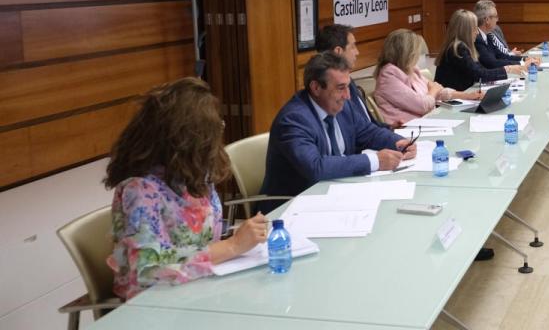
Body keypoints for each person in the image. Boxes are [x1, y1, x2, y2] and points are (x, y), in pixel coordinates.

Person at [105, 78, 268, 299]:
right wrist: (233, 245)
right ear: (187, 140)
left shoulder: (194, 175)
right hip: (156, 305)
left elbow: (204, 244)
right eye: (213, 128)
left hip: (200, 291)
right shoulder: (141, 191)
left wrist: (237, 244)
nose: (219, 133)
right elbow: (145, 273)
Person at [260, 52, 416, 209]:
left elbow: (368, 132)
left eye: (348, 86)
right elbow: (315, 167)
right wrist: (375, 161)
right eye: (341, 88)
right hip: (293, 207)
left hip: (337, 196)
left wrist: (397, 142)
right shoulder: (294, 119)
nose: (347, 96)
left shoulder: (342, 106)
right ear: (316, 87)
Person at [373, 29, 483, 126]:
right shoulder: (388, 77)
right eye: (416, 52)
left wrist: (468, 96)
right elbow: (423, 105)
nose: (417, 55)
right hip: (407, 129)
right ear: (407, 53)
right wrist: (433, 90)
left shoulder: (411, 70)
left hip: (425, 122)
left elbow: (439, 92)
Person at [315, 24, 387, 128]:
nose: (357, 52)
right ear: (338, 51)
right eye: (353, 46)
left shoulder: (349, 82)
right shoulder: (330, 94)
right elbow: (359, 132)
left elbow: (369, 125)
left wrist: (391, 129)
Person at [434, 9, 525, 91]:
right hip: (450, 103)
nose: (477, 32)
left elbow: (481, 70)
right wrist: (507, 69)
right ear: (465, 31)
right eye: (474, 28)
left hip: (462, 95)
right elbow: (480, 74)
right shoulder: (458, 49)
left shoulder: (462, 46)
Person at [473, 0, 539, 69]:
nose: (497, 19)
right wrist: (522, 64)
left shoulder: (488, 36)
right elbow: (492, 63)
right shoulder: (477, 38)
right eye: (496, 16)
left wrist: (525, 59)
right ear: (487, 20)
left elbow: (502, 56)